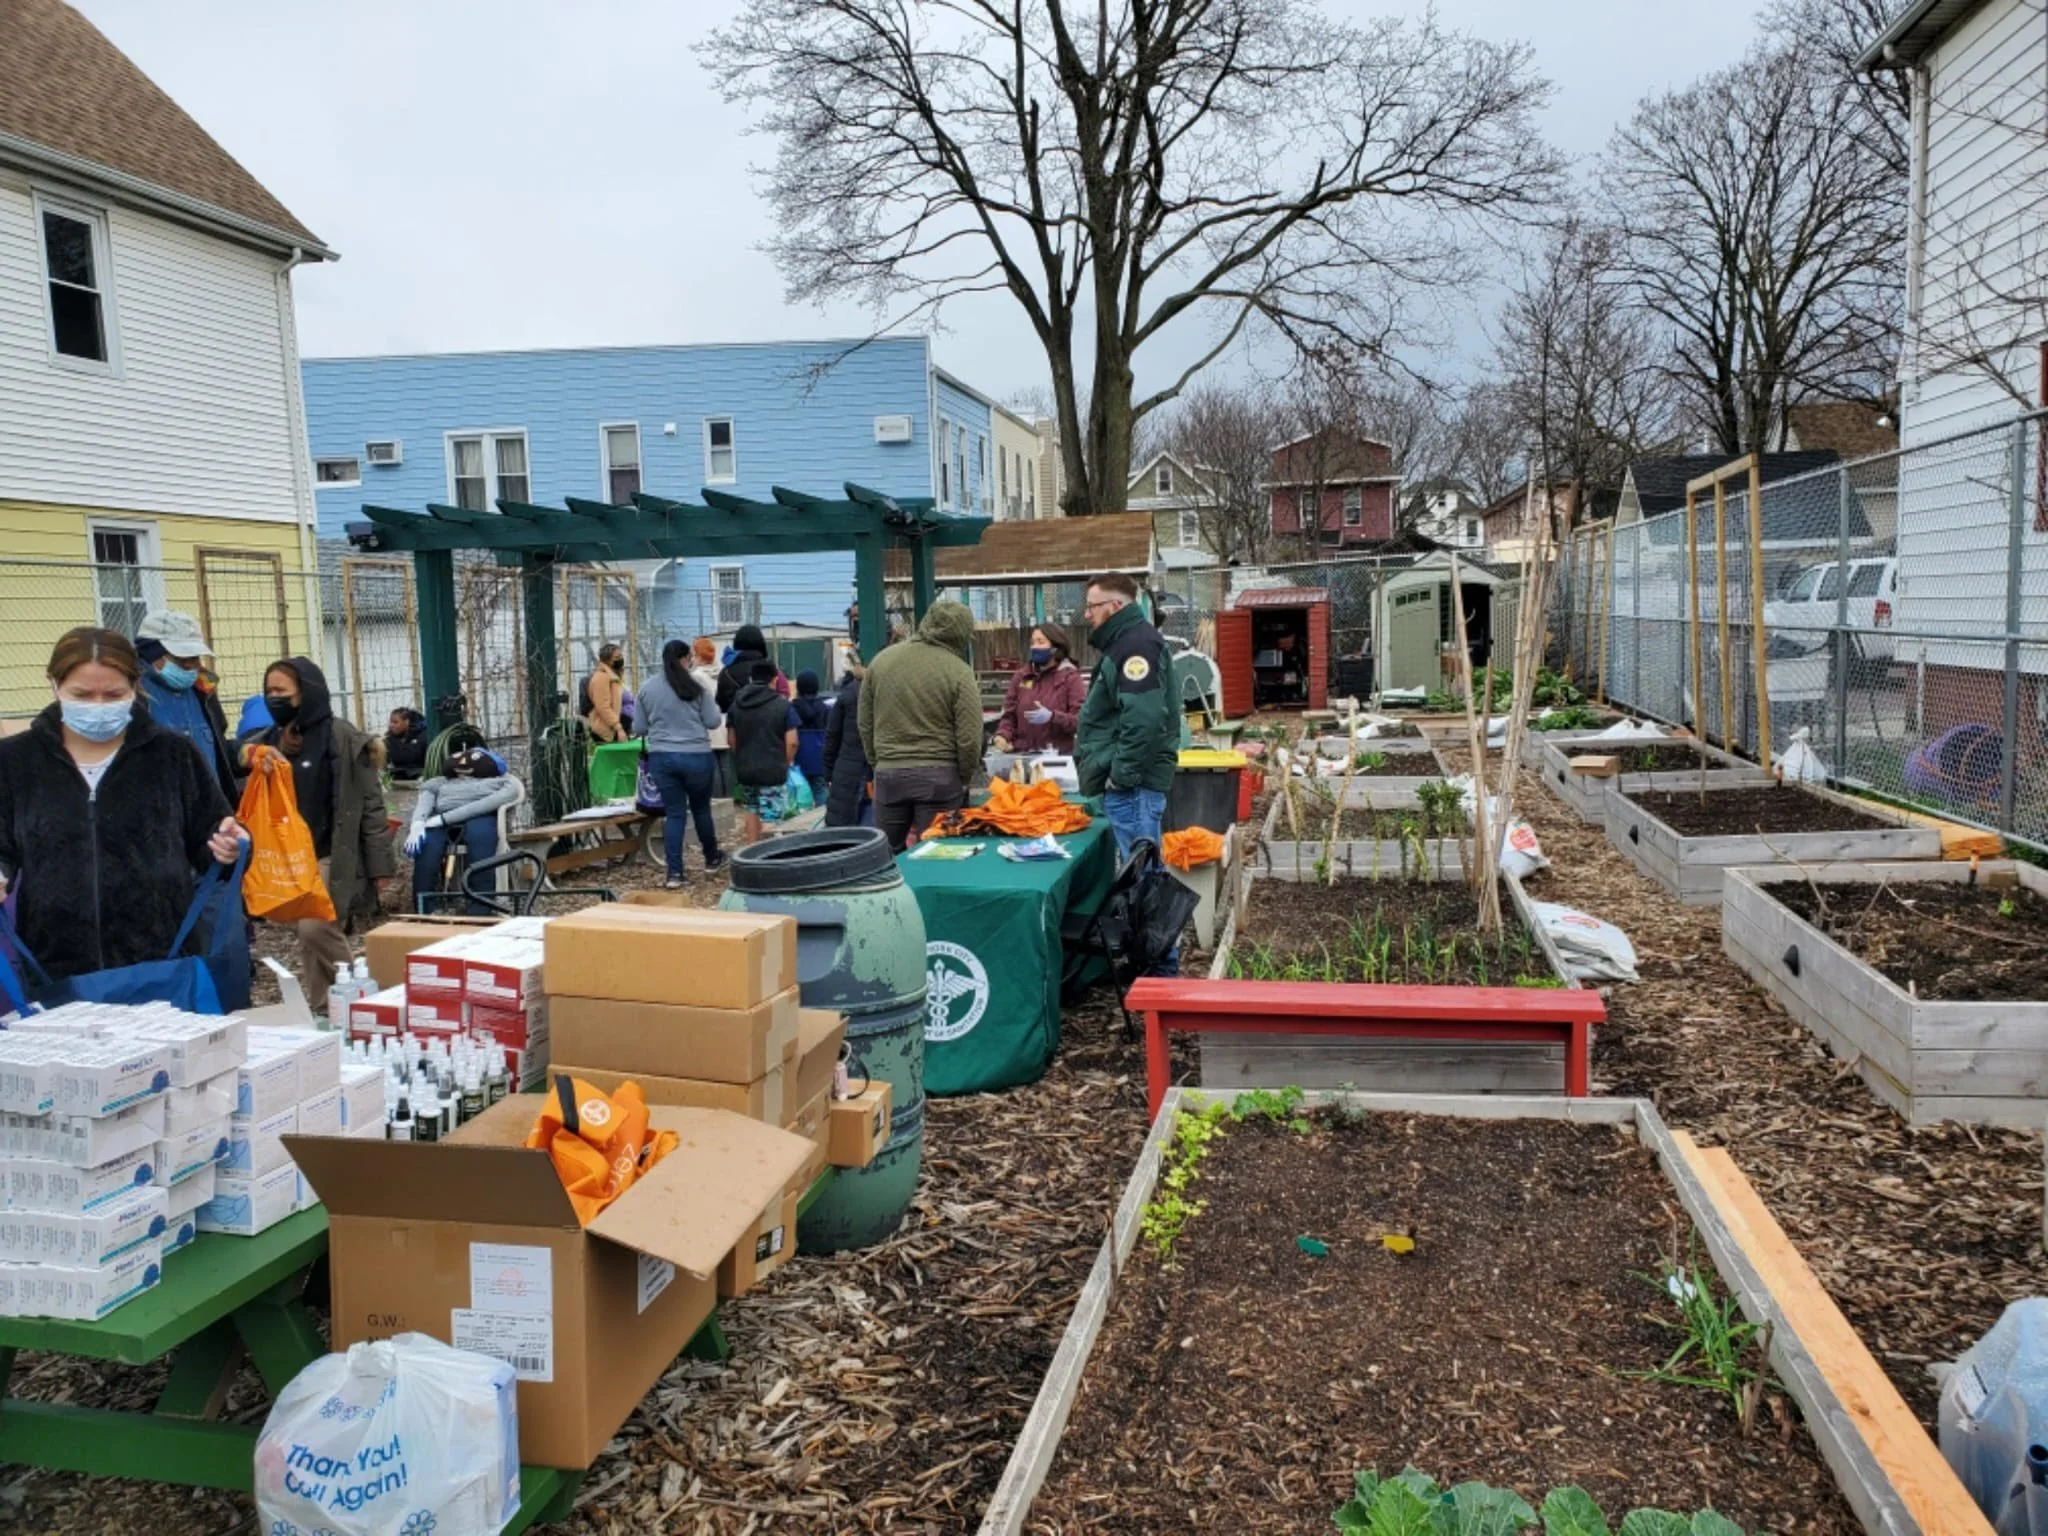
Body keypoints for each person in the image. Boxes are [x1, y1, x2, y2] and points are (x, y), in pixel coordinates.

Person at [0, 628, 244, 987]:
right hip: (53, 965)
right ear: (53, 684)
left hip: (161, 961)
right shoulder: (15, 760)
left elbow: (213, 840)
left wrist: (229, 847)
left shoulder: (173, 754)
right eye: (82, 695)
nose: (98, 706)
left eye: (114, 694)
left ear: (135, 687)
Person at [242, 657, 395, 1010]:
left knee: (314, 927)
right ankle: (325, 1007)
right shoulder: (270, 740)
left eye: (281, 691)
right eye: (269, 691)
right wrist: (265, 752)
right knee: (311, 940)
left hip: (331, 854)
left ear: (305, 693)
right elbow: (239, 772)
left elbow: (370, 805)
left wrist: (380, 866)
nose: (273, 698)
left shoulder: (342, 738)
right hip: (288, 857)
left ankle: (367, 991)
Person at [1076, 568, 1180, 876]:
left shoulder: (1135, 647)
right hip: (1133, 785)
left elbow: (1143, 718)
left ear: (1115, 606)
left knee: (1141, 881)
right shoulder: (1127, 643)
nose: (1086, 614)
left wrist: (1121, 775)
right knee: (1140, 877)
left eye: (1092, 606)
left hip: (1134, 788)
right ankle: (1147, 925)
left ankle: (1149, 926)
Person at [858, 600, 983, 851]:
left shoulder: (881, 662)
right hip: (940, 778)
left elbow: (864, 723)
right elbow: (970, 736)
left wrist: (878, 762)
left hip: (889, 775)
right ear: (961, 635)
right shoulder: (959, 671)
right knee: (936, 855)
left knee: (884, 857)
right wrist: (964, 776)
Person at [636, 638, 726, 886]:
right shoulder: (698, 686)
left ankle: (675, 873)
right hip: (697, 755)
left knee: (674, 814)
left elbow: (639, 726)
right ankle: (711, 859)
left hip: (662, 757)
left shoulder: (647, 688)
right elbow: (713, 721)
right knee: (701, 810)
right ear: (687, 659)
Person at [134, 610, 240, 803]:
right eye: (182, 659)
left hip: (209, 817)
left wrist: (246, 753)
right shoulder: (134, 697)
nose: (192, 666)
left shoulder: (203, 692)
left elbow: (219, 749)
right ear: (153, 654)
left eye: (195, 657)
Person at [405, 748, 520, 914]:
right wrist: (417, 823)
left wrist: (444, 819)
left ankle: (481, 907)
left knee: (481, 841)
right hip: (437, 821)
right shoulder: (439, 782)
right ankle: (424, 907)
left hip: (477, 816)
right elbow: (425, 800)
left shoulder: (501, 783)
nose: (464, 762)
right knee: (426, 847)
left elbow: (484, 805)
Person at [991, 623, 1084, 762]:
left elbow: (1080, 721)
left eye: (1041, 642)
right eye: (1032, 642)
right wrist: (1002, 736)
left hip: (1056, 758)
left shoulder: (1070, 678)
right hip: (1022, 756)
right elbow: (1009, 715)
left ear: (1055, 648)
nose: (1035, 647)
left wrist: (1053, 717)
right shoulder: (1021, 676)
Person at [729, 659, 796, 843]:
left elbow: (732, 740)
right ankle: (769, 858)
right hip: (773, 770)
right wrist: (786, 762)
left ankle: (751, 853)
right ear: (774, 679)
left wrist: (741, 757)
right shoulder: (783, 705)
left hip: (746, 769)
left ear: (752, 678)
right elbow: (792, 742)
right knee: (772, 815)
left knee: (751, 810)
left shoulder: (737, 704)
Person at [822, 661, 872, 827]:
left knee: (842, 827)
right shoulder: (881, 692)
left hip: (845, 770)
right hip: (873, 771)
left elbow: (832, 737)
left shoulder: (847, 694)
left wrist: (829, 773)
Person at [691, 637, 731, 794]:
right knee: (726, 766)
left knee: (713, 765)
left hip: (707, 723)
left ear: (698, 655)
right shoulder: (723, 671)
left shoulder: (696, 676)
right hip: (725, 722)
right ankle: (729, 797)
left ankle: (718, 800)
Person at [788, 670, 831, 805]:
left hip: (798, 757)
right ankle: (822, 821)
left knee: (797, 792)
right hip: (819, 758)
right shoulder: (824, 708)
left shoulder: (791, 708)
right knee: (819, 790)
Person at [583, 642, 626, 743]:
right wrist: (618, 728)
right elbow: (603, 707)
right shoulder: (601, 678)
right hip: (606, 731)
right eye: (617, 657)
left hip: (612, 729)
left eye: (621, 656)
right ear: (607, 660)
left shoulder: (612, 676)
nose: (620, 659)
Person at [385, 707, 429, 781]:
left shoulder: (422, 735)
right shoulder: (389, 738)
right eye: (391, 722)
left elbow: (415, 757)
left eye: (395, 722)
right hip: (398, 775)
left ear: (406, 722)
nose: (391, 725)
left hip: (420, 775)